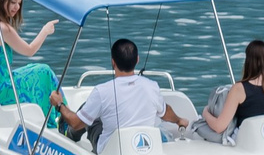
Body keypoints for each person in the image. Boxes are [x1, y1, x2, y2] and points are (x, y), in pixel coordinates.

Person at [58, 37, 188, 147]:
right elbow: (165, 112)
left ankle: (69, 135)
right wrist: (179, 120)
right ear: (137, 60)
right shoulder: (152, 86)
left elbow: (76, 123)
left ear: (113, 62)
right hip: (143, 148)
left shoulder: (101, 91)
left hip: (110, 152)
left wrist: (59, 104)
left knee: (89, 114)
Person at [0, 0, 60, 118]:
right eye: (13, 2)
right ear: (2, 0)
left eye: (19, 3)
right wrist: (45, 31)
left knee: (33, 69)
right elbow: (29, 50)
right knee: (44, 71)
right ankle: (61, 117)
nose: (17, 7)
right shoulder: (3, 28)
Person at [197, 38, 264, 139]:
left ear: (248, 61)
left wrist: (205, 112)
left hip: (248, 141)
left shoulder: (239, 89)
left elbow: (219, 127)